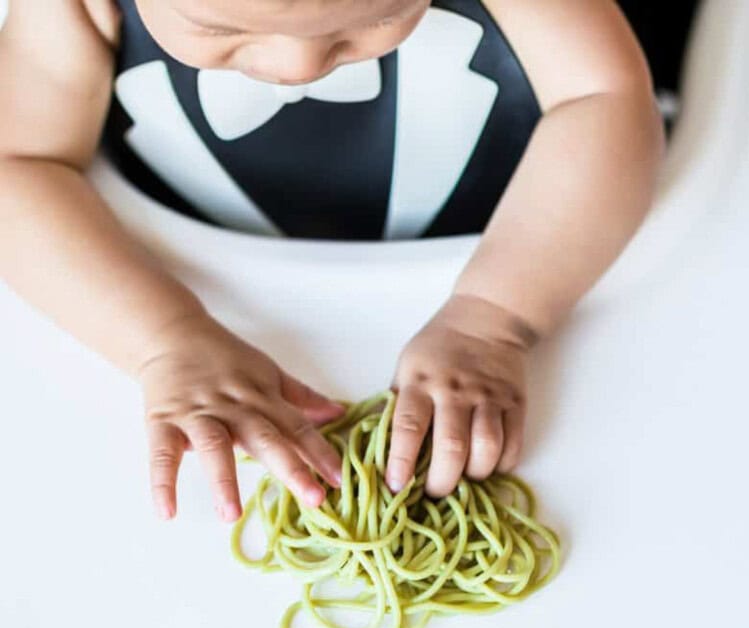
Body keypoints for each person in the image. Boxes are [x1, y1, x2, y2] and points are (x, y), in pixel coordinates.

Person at [0, 0, 677, 525]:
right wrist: (161, 340)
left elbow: (605, 100)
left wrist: (494, 318)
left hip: (512, 230)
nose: (299, 67)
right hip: (226, 272)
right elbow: (19, 163)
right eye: (213, 25)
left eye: (378, 14)